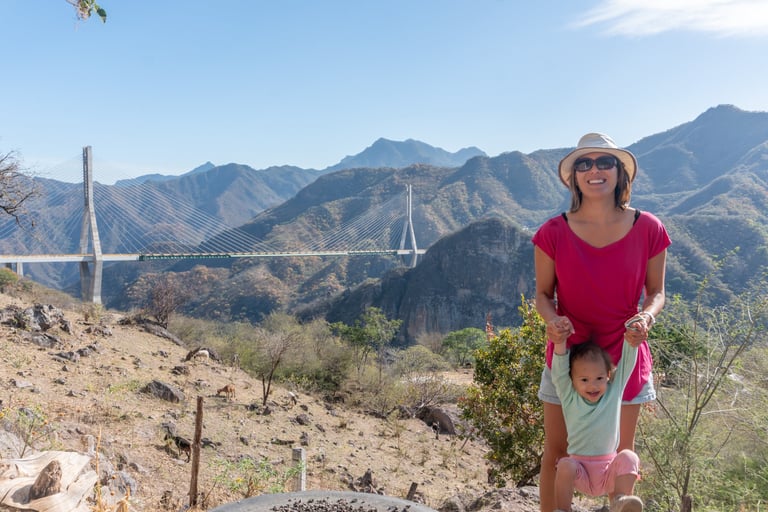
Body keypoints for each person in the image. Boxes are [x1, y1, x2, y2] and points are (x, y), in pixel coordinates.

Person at [531, 133, 671, 512]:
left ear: (620, 173)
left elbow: (656, 292)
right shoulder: (552, 232)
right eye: (584, 163)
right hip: (568, 359)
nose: (594, 170)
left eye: (604, 162)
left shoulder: (649, 228)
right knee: (556, 454)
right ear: (574, 176)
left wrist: (647, 315)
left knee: (622, 456)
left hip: (624, 351)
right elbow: (543, 295)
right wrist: (552, 319)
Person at [551, 337, 643, 512]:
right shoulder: (569, 396)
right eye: (584, 380)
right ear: (572, 379)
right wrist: (559, 341)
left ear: (608, 375)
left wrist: (633, 337)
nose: (592, 385)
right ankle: (562, 509)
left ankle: (619, 502)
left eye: (599, 378)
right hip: (580, 470)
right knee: (564, 464)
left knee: (629, 456)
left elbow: (628, 363)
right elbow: (558, 371)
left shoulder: (614, 392)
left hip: (609, 472)